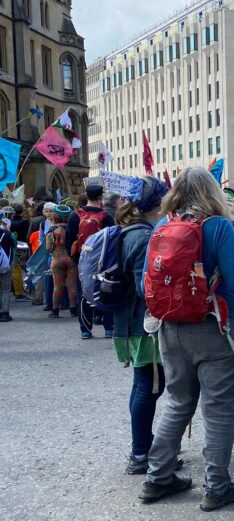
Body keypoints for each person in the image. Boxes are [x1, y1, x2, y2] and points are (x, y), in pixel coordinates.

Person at [139, 168, 234, 511]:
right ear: (212, 192)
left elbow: (144, 287)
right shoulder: (218, 226)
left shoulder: (162, 227)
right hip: (217, 327)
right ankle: (217, 485)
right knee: (217, 408)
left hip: (170, 328)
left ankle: (157, 478)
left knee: (178, 402)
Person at [111, 176, 176, 475]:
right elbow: (143, 287)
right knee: (148, 387)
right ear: (157, 202)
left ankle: (144, 448)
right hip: (143, 325)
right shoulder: (143, 236)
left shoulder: (137, 230)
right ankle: (140, 454)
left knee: (148, 386)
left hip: (135, 322)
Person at [67, 183, 115, 339]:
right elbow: (112, 241)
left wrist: (75, 258)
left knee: (84, 293)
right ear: (101, 197)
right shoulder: (106, 217)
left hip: (83, 260)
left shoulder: (75, 216)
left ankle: (86, 330)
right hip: (103, 260)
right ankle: (109, 327)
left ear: (86, 196)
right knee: (106, 290)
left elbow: (69, 240)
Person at [45, 205, 78, 318]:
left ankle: (55, 310)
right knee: (72, 286)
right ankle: (73, 309)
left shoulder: (51, 231)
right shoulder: (73, 230)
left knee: (57, 286)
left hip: (57, 260)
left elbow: (48, 248)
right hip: (71, 260)